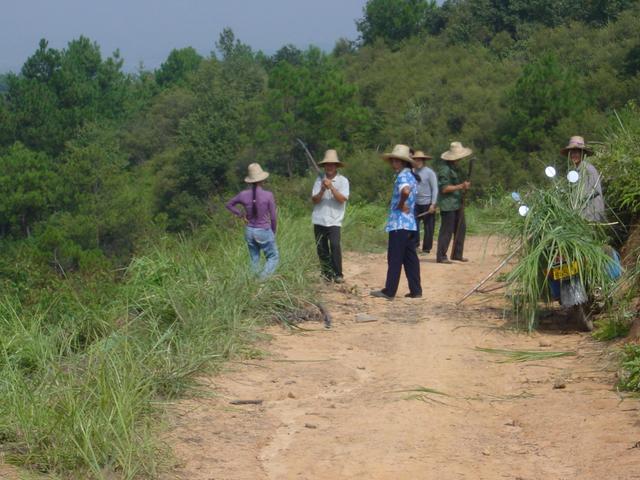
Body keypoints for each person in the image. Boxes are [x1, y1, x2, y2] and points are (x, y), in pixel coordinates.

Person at [371, 144, 422, 300]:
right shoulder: (413, 176)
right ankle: (416, 290)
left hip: (399, 223)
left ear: (402, 162)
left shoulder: (402, 177)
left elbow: (405, 191)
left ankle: (389, 291)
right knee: (410, 258)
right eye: (393, 160)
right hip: (410, 224)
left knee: (395, 258)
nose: (393, 163)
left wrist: (400, 204)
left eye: (396, 161)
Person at [225, 163, 279, 280]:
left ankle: (252, 284)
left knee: (254, 258)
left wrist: (241, 214)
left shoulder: (243, 195)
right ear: (262, 179)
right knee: (273, 257)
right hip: (263, 230)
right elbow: (273, 217)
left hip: (249, 231)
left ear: (249, 180)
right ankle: (261, 281)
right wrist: (273, 231)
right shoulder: (268, 195)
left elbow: (229, 205)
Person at [311, 149, 350, 283]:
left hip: (334, 220)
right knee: (321, 248)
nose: (330, 167)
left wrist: (332, 188)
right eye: (327, 164)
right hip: (319, 219)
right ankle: (326, 273)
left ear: (336, 166)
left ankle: (338, 274)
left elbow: (342, 199)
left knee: (334, 245)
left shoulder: (343, 181)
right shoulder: (318, 180)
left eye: (332, 164)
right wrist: (322, 188)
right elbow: (315, 200)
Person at [436, 141, 472, 264]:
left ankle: (457, 254)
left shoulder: (454, 169)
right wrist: (461, 186)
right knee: (446, 231)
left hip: (457, 204)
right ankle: (441, 256)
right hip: (448, 205)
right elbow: (444, 188)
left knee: (461, 228)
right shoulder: (444, 170)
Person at [561, 135, 606, 222]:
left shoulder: (588, 170)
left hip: (591, 214)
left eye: (577, 152)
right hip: (580, 214)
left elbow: (590, 193)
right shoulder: (573, 170)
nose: (574, 155)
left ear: (582, 153)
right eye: (572, 152)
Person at [412, 150, 438, 254]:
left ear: (423, 161)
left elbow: (435, 188)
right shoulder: (412, 172)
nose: (417, 162)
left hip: (427, 203)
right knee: (414, 226)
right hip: (415, 203)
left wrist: (433, 204)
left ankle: (426, 249)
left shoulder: (429, 172)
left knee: (429, 228)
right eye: (415, 160)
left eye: (419, 160)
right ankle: (415, 246)